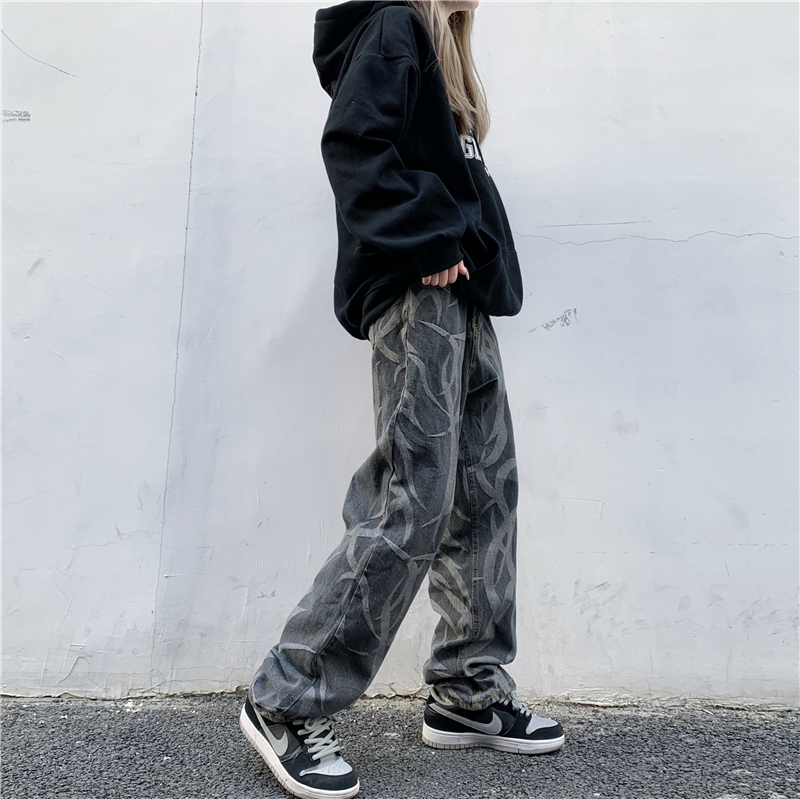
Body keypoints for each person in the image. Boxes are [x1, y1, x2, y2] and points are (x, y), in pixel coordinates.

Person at [239, 1, 564, 797]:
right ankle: (285, 695)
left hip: (462, 295)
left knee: (484, 491)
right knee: (411, 496)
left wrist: (467, 251)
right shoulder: (392, 26)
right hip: (419, 292)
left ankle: (468, 691)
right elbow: (355, 146)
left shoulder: (445, 53)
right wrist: (427, 236)